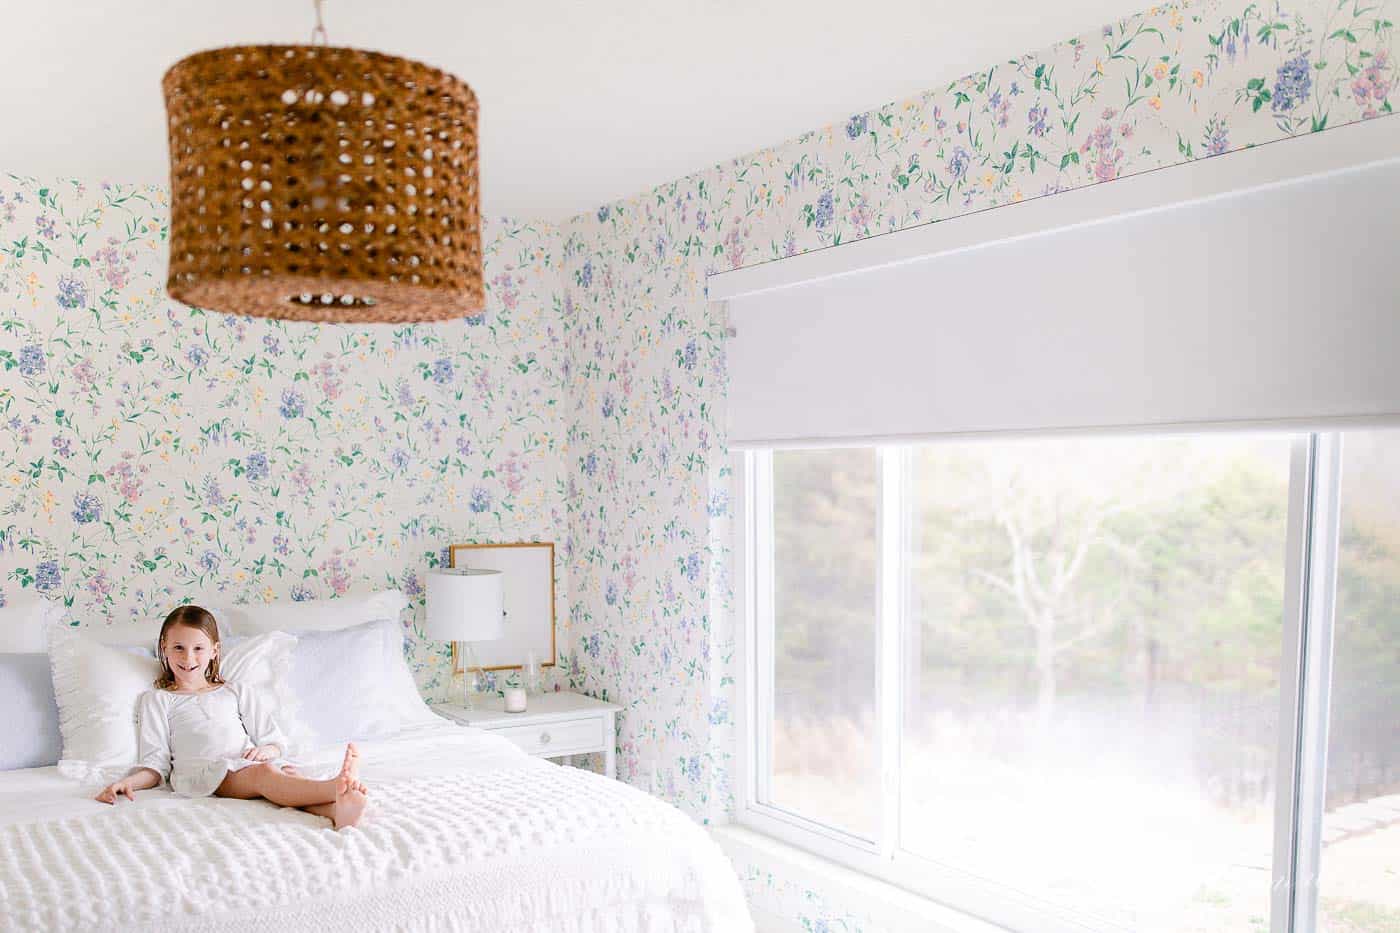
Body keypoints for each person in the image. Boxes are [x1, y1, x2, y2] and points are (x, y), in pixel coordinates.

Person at [94, 604, 368, 829]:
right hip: (204, 773)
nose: (188, 657)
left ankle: (336, 811)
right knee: (266, 776)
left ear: (214, 650)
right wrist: (127, 783)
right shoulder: (158, 699)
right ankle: (334, 787)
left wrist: (266, 750)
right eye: (178, 647)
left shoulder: (235, 691)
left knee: (282, 774)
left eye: (198, 648)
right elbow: (155, 764)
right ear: (164, 648)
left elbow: (274, 739)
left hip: (245, 763)